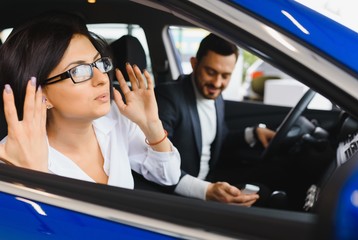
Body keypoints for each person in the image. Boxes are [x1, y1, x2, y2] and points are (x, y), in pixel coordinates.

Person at [0, 11, 181, 190]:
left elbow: (168, 176)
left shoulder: (116, 117)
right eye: (79, 71)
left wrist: (152, 125)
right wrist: (35, 178)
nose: (102, 78)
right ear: (42, 95)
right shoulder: (15, 153)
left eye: (99, 63)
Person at [155, 33, 276, 204]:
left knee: (264, 189)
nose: (217, 83)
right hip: (178, 196)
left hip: (210, 181)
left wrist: (255, 133)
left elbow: (218, 139)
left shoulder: (216, 97)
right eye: (210, 72)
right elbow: (157, 163)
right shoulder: (168, 97)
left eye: (225, 76)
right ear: (194, 64)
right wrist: (207, 192)